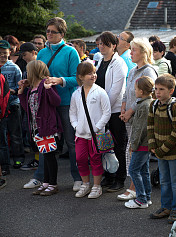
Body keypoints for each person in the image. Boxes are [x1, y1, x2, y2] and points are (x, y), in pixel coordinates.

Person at [32, 17, 82, 191]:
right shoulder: (42, 53)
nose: (49, 34)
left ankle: (78, 178)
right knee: (45, 141)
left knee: (71, 142)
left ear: (62, 33)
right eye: (47, 31)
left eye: (53, 32)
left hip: (65, 102)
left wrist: (60, 80)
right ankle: (42, 178)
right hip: (46, 104)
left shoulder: (70, 52)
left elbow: (78, 78)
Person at [117, 38, 157, 197]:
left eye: (134, 50)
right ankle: (139, 188)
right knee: (132, 152)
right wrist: (123, 108)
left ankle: (134, 188)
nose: (131, 53)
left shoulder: (149, 71)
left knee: (136, 152)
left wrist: (130, 111)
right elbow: (127, 92)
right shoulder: (133, 70)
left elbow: (148, 96)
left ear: (144, 52)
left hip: (140, 117)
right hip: (129, 117)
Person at [18, 60, 62, 196]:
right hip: (37, 127)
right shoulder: (32, 87)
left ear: (34, 71)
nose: (26, 73)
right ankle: (46, 183)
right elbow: (28, 109)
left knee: (49, 156)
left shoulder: (45, 84)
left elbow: (56, 102)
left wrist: (49, 90)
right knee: (45, 154)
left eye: (28, 70)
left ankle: (53, 184)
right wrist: (21, 93)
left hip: (47, 127)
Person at [69, 62, 111, 199]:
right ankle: (85, 184)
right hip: (80, 134)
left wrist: (97, 127)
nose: (93, 75)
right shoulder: (76, 94)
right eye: (89, 73)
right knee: (80, 159)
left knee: (95, 159)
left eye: (94, 72)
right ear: (80, 76)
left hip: (96, 134)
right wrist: (76, 126)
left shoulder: (100, 92)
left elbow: (107, 113)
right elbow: (72, 113)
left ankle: (97, 186)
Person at [148, 74, 176, 223]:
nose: (158, 92)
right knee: (164, 180)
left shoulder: (174, 107)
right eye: (156, 89)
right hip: (159, 151)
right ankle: (166, 207)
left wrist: (162, 149)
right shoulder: (154, 105)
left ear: (171, 90)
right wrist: (152, 145)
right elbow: (150, 126)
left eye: (161, 89)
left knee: (175, 182)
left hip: (173, 153)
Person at [95, 31, 128, 193]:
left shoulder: (119, 63)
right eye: (100, 44)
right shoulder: (100, 61)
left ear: (113, 46)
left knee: (118, 145)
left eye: (105, 44)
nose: (101, 47)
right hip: (101, 110)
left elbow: (116, 91)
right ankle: (109, 175)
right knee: (104, 145)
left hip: (114, 110)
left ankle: (120, 178)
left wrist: (104, 109)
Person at [124, 76, 154, 209]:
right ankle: (146, 197)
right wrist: (128, 120)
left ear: (141, 91)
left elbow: (140, 129)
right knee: (143, 171)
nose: (134, 91)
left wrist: (133, 145)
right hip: (144, 144)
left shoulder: (143, 106)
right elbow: (138, 122)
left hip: (141, 144)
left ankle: (141, 199)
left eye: (136, 89)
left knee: (134, 170)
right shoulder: (145, 104)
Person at [0, 40, 25, 173]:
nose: (2, 56)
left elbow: (20, 85)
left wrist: (13, 91)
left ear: (10, 53)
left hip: (13, 103)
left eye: (5, 53)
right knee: (2, 135)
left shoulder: (14, 67)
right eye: (0, 53)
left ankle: (18, 157)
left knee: (15, 132)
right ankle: (4, 162)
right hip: (0, 106)